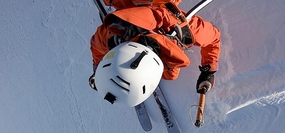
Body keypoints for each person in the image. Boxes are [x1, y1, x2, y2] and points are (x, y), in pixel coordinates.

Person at [89, 1, 221, 106]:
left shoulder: (183, 31)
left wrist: (208, 71)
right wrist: (98, 69)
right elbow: (96, 46)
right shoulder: (110, 36)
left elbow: (214, 38)